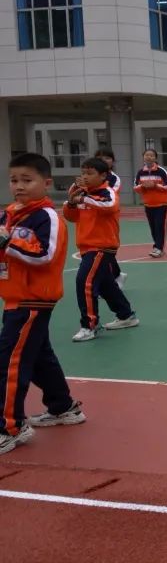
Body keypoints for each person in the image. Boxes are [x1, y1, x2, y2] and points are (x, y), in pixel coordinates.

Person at [0, 153, 87, 455]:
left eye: (27, 180)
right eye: (14, 180)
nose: (19, 186)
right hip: (14, 297)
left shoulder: (47, 216)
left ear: (46, 183)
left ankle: (9, 426)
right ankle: (63, 406)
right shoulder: (10, 214)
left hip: (33, 300)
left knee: (10, 361)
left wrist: (7, 241)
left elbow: (43, 255)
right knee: (37, 356)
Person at [63, 157, 139, 342]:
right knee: (106, 285)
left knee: (84, 282)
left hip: (101, 247)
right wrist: (72, 202)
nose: (85, 177)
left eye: (90, 173)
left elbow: (107, 205)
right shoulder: (81, 192)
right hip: (86, 246)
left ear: (103, 175)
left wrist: (84, 197)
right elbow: (71, 216)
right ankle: (125, 315)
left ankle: (89, 325)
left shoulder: (107, 192)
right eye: (83, 173)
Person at [94, 148, 126, 288]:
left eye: (107, 158)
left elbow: (108, 195)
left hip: (108, 218)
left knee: (107, 249)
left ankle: (116, 275)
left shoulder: (114, 179)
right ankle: (115, 276)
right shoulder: (90, 177)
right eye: (100, 157)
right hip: (92, 218)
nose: (103, 160)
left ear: (113, 161)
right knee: (96, 250)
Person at [134, 148, 167, 258]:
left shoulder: (161, 171)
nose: (149, 157)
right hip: (148, 204)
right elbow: (136, 187)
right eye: (146, 155)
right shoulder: (140, 172)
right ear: (143, 157)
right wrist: (143, 186)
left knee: (160, 226)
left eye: (151, 155)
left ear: (155, 158)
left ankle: (159, 248)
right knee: (153, 227)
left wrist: (155, 185)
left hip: (162, 204)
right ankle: (157, 247)